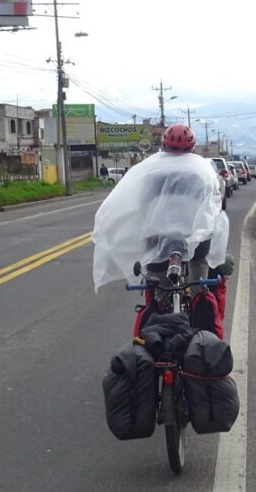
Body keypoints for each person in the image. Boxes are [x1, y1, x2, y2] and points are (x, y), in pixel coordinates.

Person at [91, 123, 231, 334]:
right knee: (198, 266)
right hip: (192, 239)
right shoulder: (202, 170)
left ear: (163, 146)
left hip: (158, 238)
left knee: (159, 291)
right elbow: (214, 205)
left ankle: (159, 309)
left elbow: (141, 205)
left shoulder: (150, 171)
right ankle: (198, 300)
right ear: (192, 147)